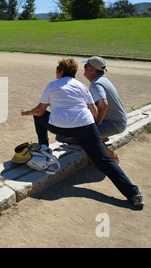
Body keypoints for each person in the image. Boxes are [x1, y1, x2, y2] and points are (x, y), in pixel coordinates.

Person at [21, 58, 144, 207]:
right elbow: (94, 111)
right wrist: (92, 125)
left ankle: (44, 149)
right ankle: (134, 194)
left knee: (38, 115)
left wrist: (27, 112)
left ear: (60, 71)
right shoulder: (82, 86)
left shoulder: (52, 85)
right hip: (85, 126)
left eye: (56, 71)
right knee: (103, 160)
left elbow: (40, 110)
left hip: (59, 126)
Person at [83, 56, 127, 163]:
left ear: (91, 69)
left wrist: (98, 123)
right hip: (118, 120)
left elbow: (103, 104)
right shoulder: (103, 79)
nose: (83, 68)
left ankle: (112, 157)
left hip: (115, 124)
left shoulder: (96, 84)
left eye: (85, 66)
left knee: (86, 137)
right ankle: (103, 137)